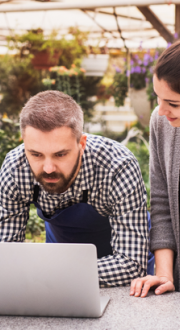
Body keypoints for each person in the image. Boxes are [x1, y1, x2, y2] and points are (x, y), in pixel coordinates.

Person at [0, 90, 150, 288]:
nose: (48, 168)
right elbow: (6, 255)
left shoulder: (117, 166)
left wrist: (54, 275)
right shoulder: (15, 168)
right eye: (36, 154)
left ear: (82, 143)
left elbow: (131, 264)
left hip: (124, 266)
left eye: (60, 154)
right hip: (61, 262)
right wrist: (60, 274)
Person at [130, 40, 180, 298]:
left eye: (174, 103)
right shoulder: (162, 123)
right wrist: (164, 274)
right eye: (158, 97)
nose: (161, 111)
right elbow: (161, 204)